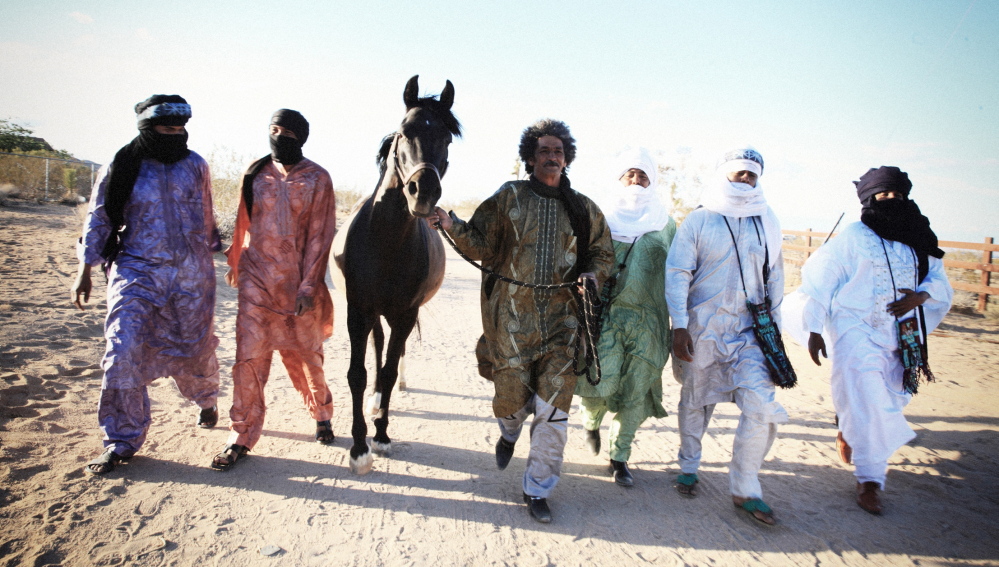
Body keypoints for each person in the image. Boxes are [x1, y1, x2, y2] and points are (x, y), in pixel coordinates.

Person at [428, 119, 614, 523]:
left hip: (564, 324)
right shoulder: (509, 197)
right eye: (545, 150)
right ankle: (509, 433)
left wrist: (592, 275)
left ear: (567, 159)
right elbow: (480, 243)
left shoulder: (583, 208)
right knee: (510, 402)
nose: (553, 157)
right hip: (511, 321)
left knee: (553, 410)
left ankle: (538, 489)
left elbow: (603, 252)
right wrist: (450, 224)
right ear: (530, 157)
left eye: (559, 151)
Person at [72, 94, 222, 475]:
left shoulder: (195, 166)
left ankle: (205, 398)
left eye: (181, 128)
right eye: (167, 129)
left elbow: (206, 218)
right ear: (148, 128)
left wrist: (217, 256)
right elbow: (100, 215)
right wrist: (85, 267)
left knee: (194, 346)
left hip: (190, 273)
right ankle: (121, 439)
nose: (176, 135)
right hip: (136, 270)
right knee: (122, 351)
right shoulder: (123, 165)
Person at [796, 166, 952, 514]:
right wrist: (815, 328)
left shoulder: (918, 235)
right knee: (870, 401)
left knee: (890, 400)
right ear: (869, 198)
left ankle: (849, 429)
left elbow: (939, 278)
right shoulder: (854, 236)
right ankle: (870, 481)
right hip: (856, 328)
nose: (892, 199)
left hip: (902, 334)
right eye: (884, 194)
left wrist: (921, 298)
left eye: (897, 194)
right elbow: (821, 278)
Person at [665, 146, 787, 525]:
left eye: (752, 174)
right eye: (740, 173)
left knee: (760, 405)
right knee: (696, 400)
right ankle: (689, 464)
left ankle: (746, 487)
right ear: (725, 174)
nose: (746, 179)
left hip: (750, 333)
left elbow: (776, 279)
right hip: (702, 329)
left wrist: (775, 338)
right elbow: (678, 272)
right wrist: (680, 323)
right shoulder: (700, 220)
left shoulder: (768, 221)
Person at [210, 109, 338, 471]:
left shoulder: (318, 178)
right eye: (272, 130)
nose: (277, 137)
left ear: (300, 138)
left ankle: (322, 413)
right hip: (256, 283)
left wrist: (309, 284)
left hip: (297, 285)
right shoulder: (256, 172)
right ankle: (241, 434)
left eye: (285, 132)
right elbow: (242, 221)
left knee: (307, 355)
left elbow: (320, 236)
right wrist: (235, 261)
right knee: (248, 357)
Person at [575, 147, 676, 488]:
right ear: (619, 180)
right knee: (597, 386)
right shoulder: (599, 220)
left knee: (636, 392)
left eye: (643, 175)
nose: (636, 180)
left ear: (652, 182)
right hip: (606, 318)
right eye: (629, 174)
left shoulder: (667, 225)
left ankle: (620, 457)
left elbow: (681, 272)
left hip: (650, 324)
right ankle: (590, 422)